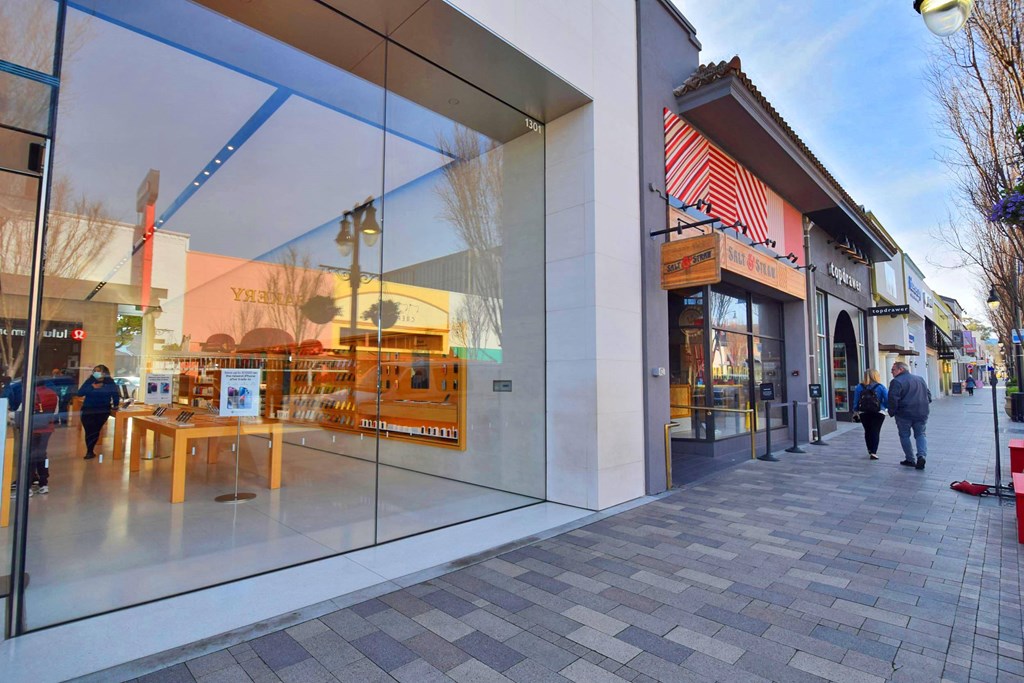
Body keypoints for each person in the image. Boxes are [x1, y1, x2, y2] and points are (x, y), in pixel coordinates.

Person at [5, 379, 59, 495]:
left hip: (32, 429)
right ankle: (43, 483)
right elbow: (55, 413)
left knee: (31, 457)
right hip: (47, 428)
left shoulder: (30, 395)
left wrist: (8, 414)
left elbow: (20, 413)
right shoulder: (53, 394)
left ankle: (28, 487)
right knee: (41, 455)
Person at [887, 361, 931, 470]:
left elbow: (893, 399)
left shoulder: (896, 382)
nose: (891, 372)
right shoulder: (919, 379)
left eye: (893, 370)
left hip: (904, 414)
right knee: (920, 434)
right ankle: (921, 455)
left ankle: (910, 459)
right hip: (921, 412)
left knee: (904, 436)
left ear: (900, 369)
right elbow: (928, 395)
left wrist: (892, 412)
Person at [77, 364, 119, 460]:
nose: (96, 372)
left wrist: (116, 405)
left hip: (102, 410)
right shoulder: (90, 381)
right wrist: (92, 387)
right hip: (88, 409)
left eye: (98, 370)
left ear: (104, 372)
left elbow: (115, 395)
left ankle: (90, 451)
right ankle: (89, 450)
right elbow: (80, 393)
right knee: (89, 430)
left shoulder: (110, 383)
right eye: (95, 370)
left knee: (95, 431)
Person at [852, 369, 888, 460]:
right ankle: (874, 452)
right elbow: (887, 400)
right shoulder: (881, 387)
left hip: (864, 412)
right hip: (878, 412)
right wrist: (884, 407)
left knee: (867, 431)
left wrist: (855, 411)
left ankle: (869, 449)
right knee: (875, 431)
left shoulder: (859, 387)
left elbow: (856, 401)